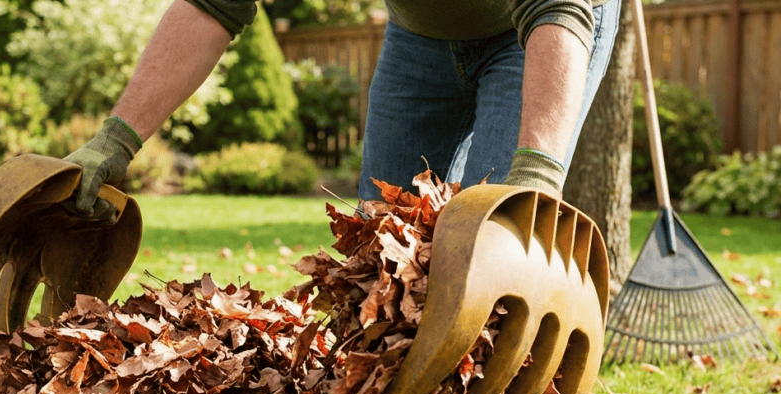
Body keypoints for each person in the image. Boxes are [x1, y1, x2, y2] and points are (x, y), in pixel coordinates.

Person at [64, 0, 620, 218]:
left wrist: (537, 178)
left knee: (496, 229)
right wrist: (116, 139)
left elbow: (557, 8)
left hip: (543, 27)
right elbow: (213, 4)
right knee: (378, 240)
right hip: (420, 30)